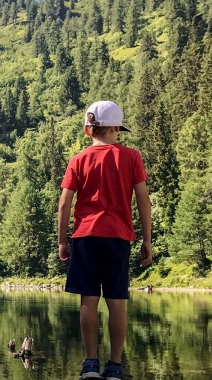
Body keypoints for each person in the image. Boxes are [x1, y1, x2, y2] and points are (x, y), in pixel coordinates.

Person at [57, 101, 153, 380]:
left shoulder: (79, 159)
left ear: (90, 129)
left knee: (89, 298)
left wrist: (63, 241)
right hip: (119, 237)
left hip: (85, 236)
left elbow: (64, 204)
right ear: (116, 128)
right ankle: (114, 366)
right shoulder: (131, 157)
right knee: (116, 300)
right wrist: (147, 240)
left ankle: (90, 365)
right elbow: (143, 201)